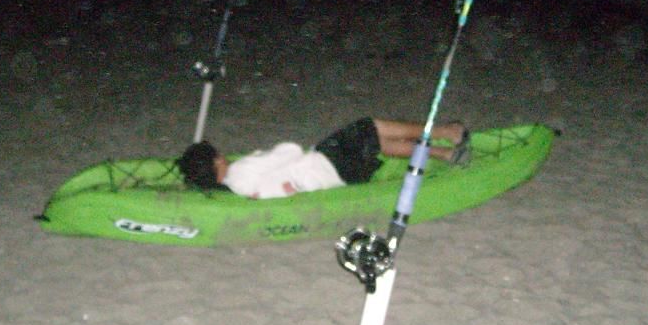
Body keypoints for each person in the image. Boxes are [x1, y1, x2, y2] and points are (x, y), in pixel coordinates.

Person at [176, 117, 470, 199]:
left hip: (335, 177)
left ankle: (444, 152)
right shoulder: (241, 170)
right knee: (371, 126)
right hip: (326, 164)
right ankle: (446, 133)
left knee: (377, 142)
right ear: (216, 162)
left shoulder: (236, 187)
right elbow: (291, 150)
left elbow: (274, 187)